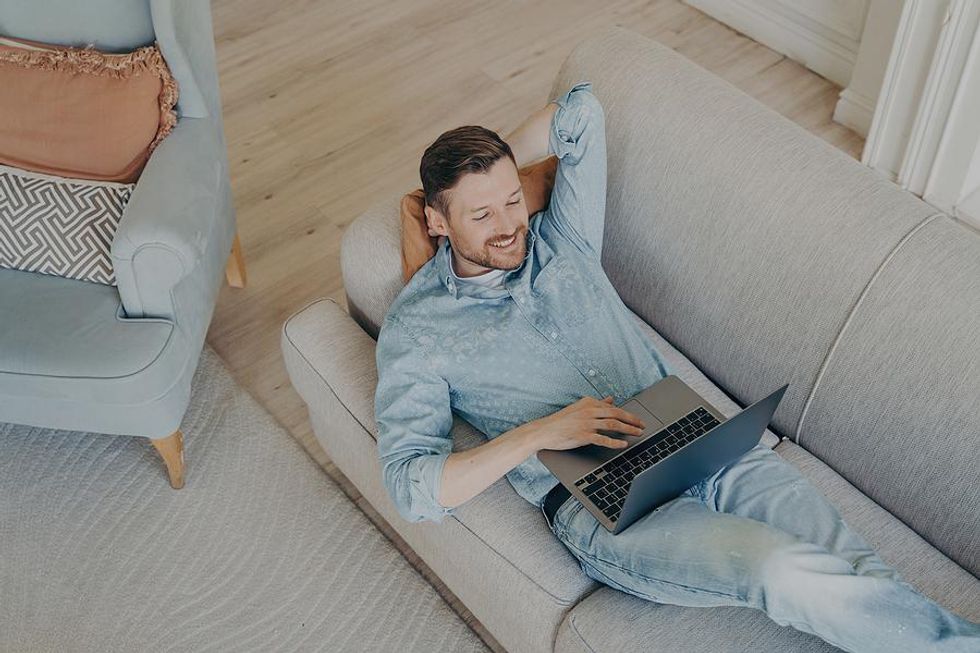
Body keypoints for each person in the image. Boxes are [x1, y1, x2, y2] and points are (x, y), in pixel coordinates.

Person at [373, 81, 980, 652]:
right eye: (480, 216)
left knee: (859, 570)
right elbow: (413, 488)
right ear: (435, 220)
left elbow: (581, 112)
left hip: (700, 440)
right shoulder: (418, 332)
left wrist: (497, 171)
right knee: (781, 568)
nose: (508, 227)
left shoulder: (561, 239)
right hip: (606, 503)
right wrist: (540, 434)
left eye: (512, 201)